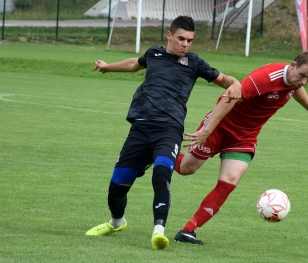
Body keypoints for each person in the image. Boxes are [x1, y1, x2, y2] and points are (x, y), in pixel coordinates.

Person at [85, 15, 242, 250]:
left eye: (190, 40)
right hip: (140, 128)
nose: (185, 44)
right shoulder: (154, 54)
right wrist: (108, 67)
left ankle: (159, 231)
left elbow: (224, 79)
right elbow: (133, 64)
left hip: (169, 129)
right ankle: (117, 222)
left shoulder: (194, 63)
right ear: (169, 35)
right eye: (181, 39)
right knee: (117, 187)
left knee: (161, 173)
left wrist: (236, 83)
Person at [173, 50, 308, 245]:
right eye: (303, 75)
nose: (304, 82)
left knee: (230, 180)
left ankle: (188, 230)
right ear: (293, 65)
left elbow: (295, 88)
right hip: (221, 126)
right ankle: (159, 151)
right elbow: (230, 96)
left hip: (245, 137)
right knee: (186, 169)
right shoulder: (264, 78)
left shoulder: (294, 79)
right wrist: (208, 129)